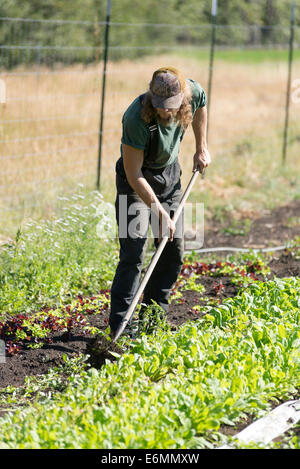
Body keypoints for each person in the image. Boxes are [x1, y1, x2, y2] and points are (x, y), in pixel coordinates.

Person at [109, 66, 211, 338]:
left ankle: (153, 318)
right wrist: (159, 213)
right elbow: (133, 175)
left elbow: (202, 105)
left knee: (173, 249)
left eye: (171, 107)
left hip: (170, 175)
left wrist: (201, 148)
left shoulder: (192, 92)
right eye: (161, 106)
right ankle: (122, 328)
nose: (166, 112)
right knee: (134, 254)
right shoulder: (136, 118)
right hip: (137, 182)